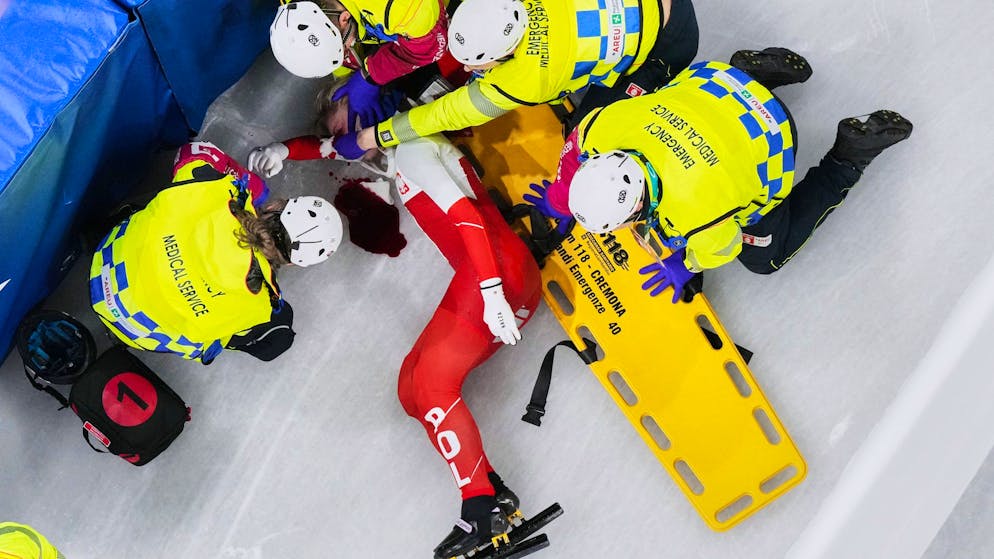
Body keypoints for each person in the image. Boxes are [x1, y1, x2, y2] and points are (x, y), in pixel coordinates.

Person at [250, 85, 543, 558]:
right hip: (491, 274)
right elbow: (327, 147)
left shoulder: (411, 147)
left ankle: (480, 507)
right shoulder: (392, 145)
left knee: (431, 385)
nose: (346, 140)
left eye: (345, 124)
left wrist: (491, 292)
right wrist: (284, 151)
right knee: (410, 389)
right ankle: (492, 490)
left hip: (495, 273)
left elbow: (467, 219)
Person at [525, 47, 913, 302]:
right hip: (717, 82)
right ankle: (750, 73)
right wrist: (563, 199)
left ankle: (849, 157)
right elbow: (576, 146)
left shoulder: (690, 219)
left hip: (772, 131)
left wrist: (684, 264)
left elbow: (724, 247)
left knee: (766, 258)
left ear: (637, 208)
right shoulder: (602, 128)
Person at [334, 0, 700, 157]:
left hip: (668, 43)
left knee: (586, 135)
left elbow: (449, 113)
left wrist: (373, 136)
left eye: (479, 65)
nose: (472, 71)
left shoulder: (527, 79)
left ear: (506, 54)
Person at [89, 141, 343, 364]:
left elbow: (194, 151)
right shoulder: (260, 307)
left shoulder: (217, 191)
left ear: (276, 205)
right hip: (138, 332)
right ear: (292, 263)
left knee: (163, 207)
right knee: (275, 330)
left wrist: (251, 185)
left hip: (105, 266)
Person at [268, 0, 449, 128]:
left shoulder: (401, 9)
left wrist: (370, 75)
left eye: (344, 48)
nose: (348, 51)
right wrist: (345, 80)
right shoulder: (296, 9)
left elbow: (431, 47)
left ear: (344, 18)